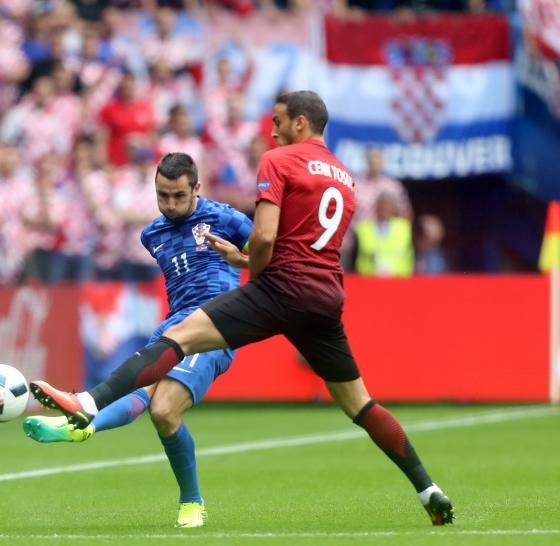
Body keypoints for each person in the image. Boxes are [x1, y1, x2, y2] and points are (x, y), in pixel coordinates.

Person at [28, 91, 455, 526]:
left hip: (280, 287)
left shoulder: (278, 160)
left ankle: (87, 402)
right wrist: (249, 261)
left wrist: (255, 271)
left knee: (176, 341)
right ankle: (428, 488)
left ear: (301, 123)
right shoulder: (345, 176)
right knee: (361, 405)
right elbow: (315, 243)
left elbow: (264, 237)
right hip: (326, 295)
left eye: (278, 120)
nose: (272, 130)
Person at [23, 152, 253, 528]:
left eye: (179, 196)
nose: (171, 204)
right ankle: (82, 426)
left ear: (197, 188)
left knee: (164, 410)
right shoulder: (151, 235)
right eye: (163, 195)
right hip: (172, 328)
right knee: (144, 396)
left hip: (215, 324)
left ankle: (191, 501)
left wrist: (243, 262)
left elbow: (274, 254)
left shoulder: (226, 218)